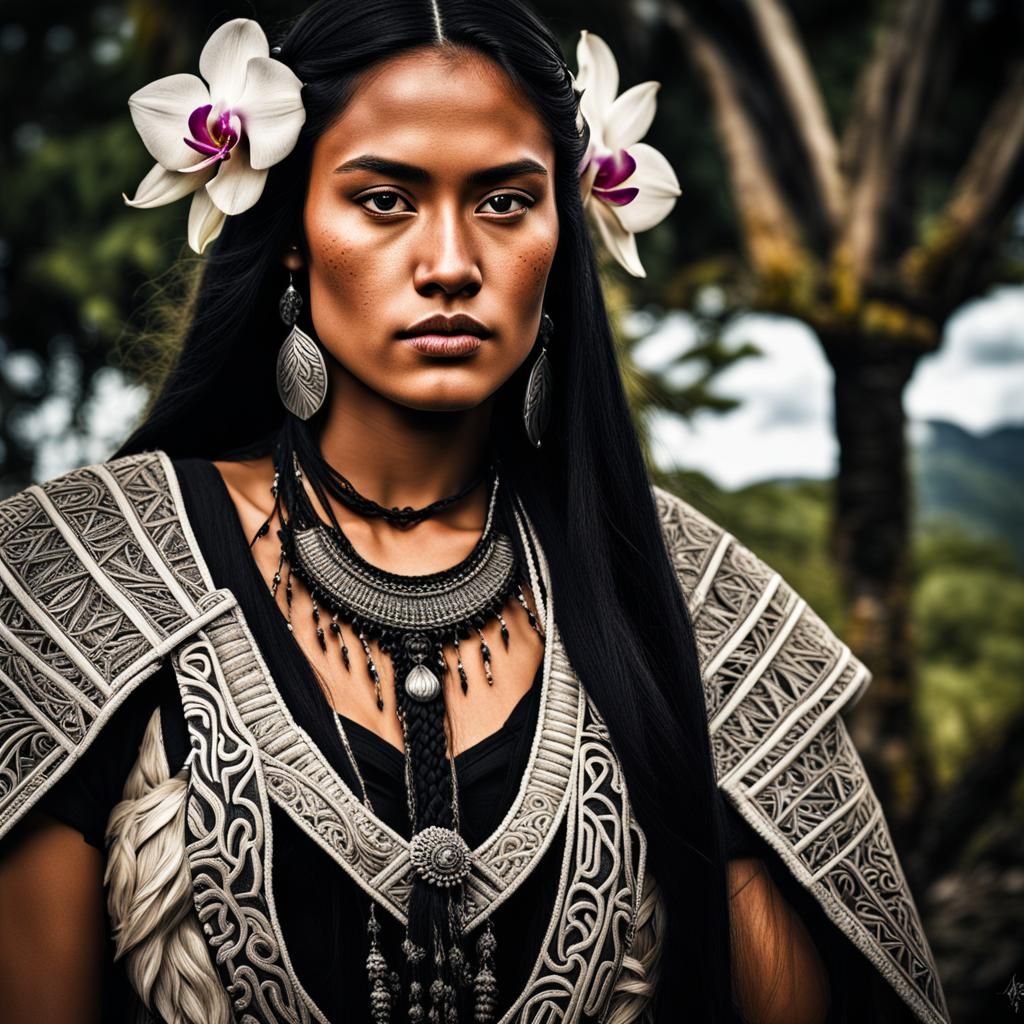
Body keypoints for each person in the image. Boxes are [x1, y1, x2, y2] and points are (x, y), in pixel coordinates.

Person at [0, 3, 950, 1023]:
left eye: (504, 202)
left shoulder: (695, 603)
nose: (451, 262)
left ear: (562, 233)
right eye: (384, 200)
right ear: (289, 234)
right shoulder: (75, 576)